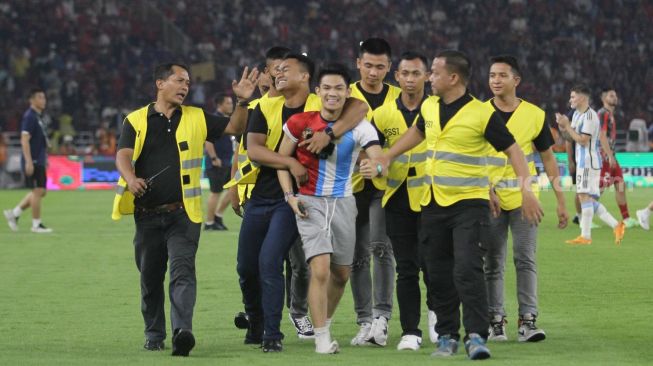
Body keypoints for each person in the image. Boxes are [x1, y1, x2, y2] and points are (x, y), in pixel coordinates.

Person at [363, 50, 543, 360]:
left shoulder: (481, 113)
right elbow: (416, 133)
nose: (429, 77)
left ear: (453, 78)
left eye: (433, 72)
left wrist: (527, 190)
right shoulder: (430, 106)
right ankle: (447, 336)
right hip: (432, 202)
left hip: (469, 204)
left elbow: (513, 149)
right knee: (438, 272)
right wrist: (387, 157)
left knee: (468, 269)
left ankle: (476, 335)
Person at [112, 62, 258, 357]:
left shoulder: (197, 117)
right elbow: (123, 154)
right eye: (179, 81)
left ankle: (182, 332)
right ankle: (154, 333)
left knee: (183, 272)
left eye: (188, 83)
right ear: (160, 83)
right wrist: (130, 179)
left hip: (184, 214)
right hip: (147, 215)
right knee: (150, 277)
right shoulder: (136, 120)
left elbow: (236, 126)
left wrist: (242, 101)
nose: (185, 87)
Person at [237, 52, 367, 352]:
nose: (277, 74)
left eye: (285, 69)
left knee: (278, 263)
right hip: (262, 195)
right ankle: (258, 323)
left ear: (306, 77)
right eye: (275, 70)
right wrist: (289, 162)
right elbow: (253, 150)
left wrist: (331, 132)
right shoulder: (263, 106)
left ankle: (274, 332)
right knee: (246, 267)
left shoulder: (319, 102)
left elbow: (359, 106)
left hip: (304, 197)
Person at [278, 63, 384, 354]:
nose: (332, 93)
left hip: (344, 204)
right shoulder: (300, 122)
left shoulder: (361, 127)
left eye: (338, 88)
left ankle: (323, 320)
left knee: (341, 274)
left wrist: (373, 167)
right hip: (309, 202)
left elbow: (378, 157)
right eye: (327, 88)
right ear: (317, 91)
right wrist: (290, 196)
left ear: (347, 92)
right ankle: (322, 338)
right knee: (320, 269)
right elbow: (281, 161)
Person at [482, 55, 569, 343]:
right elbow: (470, 156)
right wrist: (485, 189)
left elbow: (548, 158)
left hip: (525, 198)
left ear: (516, 80)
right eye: (492, 75)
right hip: (489, 198)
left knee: (525, 259)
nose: (495, 80)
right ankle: (496, 320)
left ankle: (528, 321)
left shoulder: (535, 115)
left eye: (502, 76)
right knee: (492, 262)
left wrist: (560, 200)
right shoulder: (478, 113)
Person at [371, 51, 436, 350]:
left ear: (428, 77)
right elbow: (368, 150)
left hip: (434, 196)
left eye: (416, 74)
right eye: (405, 74)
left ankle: (439, 320)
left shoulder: (438, 110)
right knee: (406, 267)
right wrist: (371, 164)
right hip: (396, 197)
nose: (410, 79)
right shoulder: (382, 114)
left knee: (435, 263)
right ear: (396, 76)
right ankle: (411, 331)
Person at [349, 37, 401, 347]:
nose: (373, 72)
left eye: (380, 67)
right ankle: (363, 321)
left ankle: (381, 318)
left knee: (382, 249)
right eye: (368, 65)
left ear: (389, 67)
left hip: (387, 187)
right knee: (355, 258)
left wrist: (380, 165)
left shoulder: (398, 99)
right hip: (350, 187)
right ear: (358, 64)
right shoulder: (344, 95)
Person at [555, 84, 625, 245]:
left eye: (573, 97)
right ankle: (612, 226)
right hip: (583, 161)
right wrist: (562, 126)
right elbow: (570, 137)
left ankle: (589, 235)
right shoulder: (579, 115)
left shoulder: (590, 116)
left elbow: (583, 140)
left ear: (582, 98)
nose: (570, 100)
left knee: (584, 197)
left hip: (589, 162)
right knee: (585, 198)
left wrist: (567, 126)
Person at [4, 88, 53, 233]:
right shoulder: (30, 117)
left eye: (44, 97)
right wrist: (29, 161)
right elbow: (24, 140)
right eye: (40, 97)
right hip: (34, 159)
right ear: (32, 100)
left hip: (40, 158)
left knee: (41, 191)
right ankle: (36, 225)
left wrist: (45, 157)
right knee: (38, 191)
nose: (43, 100)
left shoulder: (38, 117)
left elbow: (40, 139)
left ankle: (15, 213)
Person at [597, 88, 638, 228]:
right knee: (598, 190)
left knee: (620, 185)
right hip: (603, 158)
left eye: (615, 95)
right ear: (603, 98)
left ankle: (626, 218)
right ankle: (585, 217)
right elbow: (601, 135)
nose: (615, 97)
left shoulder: (610, 115)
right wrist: (608, 156)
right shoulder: (603, 114)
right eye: (611, 95)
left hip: (611, 156)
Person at [204, 93, 235, 231]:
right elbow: (208, 140)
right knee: (215, 192)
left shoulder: (226, 119)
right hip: (216, 162)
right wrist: (214, 158)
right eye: (228, 103)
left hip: (228, 162)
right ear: (219, 104)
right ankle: (209, 223)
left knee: (233, 189)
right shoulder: (215, 119)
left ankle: (218, 215)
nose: (231, 105)